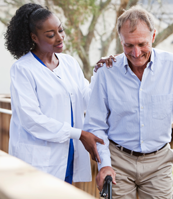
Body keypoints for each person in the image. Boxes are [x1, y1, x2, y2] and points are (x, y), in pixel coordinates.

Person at [83, 6, 173, 198]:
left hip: (158, 163)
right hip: (118, 160)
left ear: (153, 36)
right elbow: (95, 124)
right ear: (121, 40)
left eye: (142, 44)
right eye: (128, 45)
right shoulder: (106, 72)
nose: (136, 53)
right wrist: (104, 165)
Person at [5, 3, 107, 184]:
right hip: (38, 159)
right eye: (51, 35)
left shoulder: (69, 63)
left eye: (61, 30)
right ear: (34, 37)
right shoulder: (23, 69)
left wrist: (101, 73)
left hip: (68, 153)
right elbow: (31, 119)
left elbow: (87, 100)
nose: (60, 38)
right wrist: (79, 134)